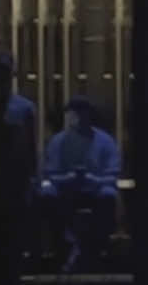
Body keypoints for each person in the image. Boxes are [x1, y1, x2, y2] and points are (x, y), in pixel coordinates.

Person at [39, 97, 121, 272]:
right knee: (47, 194)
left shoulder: (105, 141)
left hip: (95, 188)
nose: (74, 117)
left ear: (88, 115)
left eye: (79, 113)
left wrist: (93, 179)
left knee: (108, 194)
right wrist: (67, 178)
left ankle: (98, 246)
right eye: (71, 114)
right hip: (65, 189)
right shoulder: (58, 141)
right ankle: (60, 244)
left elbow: (113, 172)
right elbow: (49, 172)